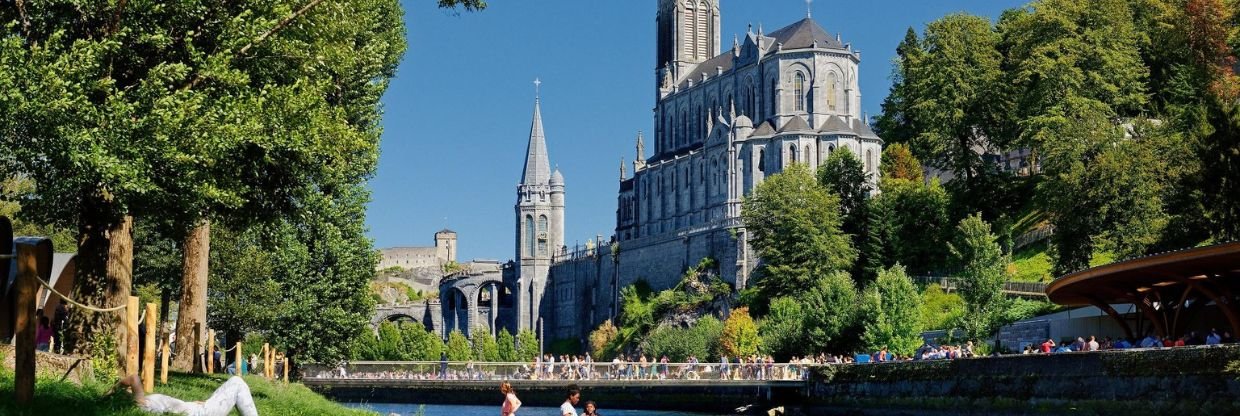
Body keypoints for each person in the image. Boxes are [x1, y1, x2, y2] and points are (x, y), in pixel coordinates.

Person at [113, 374, 257, 416]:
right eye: (129, 391)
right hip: (200, 414)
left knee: (236, 383)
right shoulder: (141, 404)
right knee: (237, 382)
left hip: (197, 408)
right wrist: (112, 391)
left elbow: (175, 407)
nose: (131, 390)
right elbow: (133, 378)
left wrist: (193, 403)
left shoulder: (148, 403)